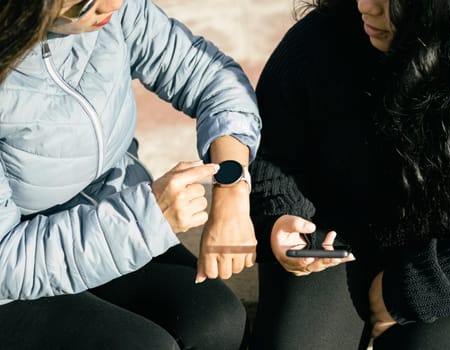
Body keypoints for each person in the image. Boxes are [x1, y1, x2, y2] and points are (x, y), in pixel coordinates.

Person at [248, 0, 450, 349]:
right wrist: (278, 214)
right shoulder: (319, 40)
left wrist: (415, 287)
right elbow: (266, 148)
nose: (366, 5)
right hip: (337, 234)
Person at [0, 0, 261, 349]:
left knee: (216, 321)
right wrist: (146, 218)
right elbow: (7, 264)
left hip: (104, 205)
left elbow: (213, 77)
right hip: (16, 266)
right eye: (86, 1)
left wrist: (230, 186)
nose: (113, 3)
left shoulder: (116, 11)